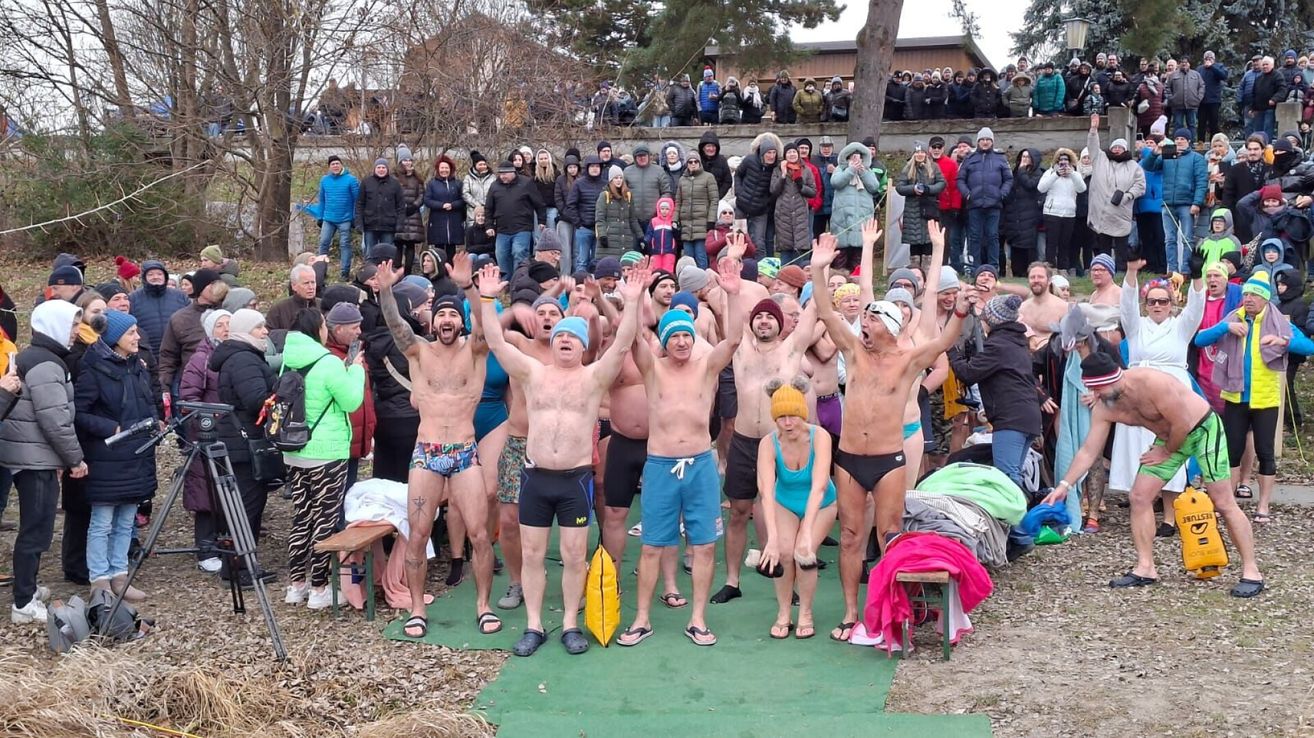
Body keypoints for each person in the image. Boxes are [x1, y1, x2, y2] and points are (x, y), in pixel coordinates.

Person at [479, 258, 646, 658]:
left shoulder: (593, 378)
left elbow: (623, 342)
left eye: (573, 338)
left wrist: (634, 301)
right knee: (534, 554)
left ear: (583, 345)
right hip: (536, 478)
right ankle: (534, 624)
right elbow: (497, 343)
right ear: (552, 344)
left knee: (574, 555)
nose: (566, 341)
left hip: (574, 480)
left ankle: (570, 622)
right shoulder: (533, 374)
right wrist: (487, 300)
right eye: (560, 338)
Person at [809, 222, 968, 642]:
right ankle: (848, 613)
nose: (862, 323)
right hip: (849, 460)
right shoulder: (856, 353)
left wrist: (962, 313)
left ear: (891, 327)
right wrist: (818, 270)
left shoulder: (907, 359)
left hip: (888, 460)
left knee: (890, 536)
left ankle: (890, 612)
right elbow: (826, 313)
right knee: (849, 536)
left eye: (871, 319)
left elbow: (944, 341)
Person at [1044, 353, 1264, 598]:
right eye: (1092, 389)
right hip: (1168, 439)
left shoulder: (1152, 383)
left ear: (1116, 380)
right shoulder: (1104, 406)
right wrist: (1064, 485)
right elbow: (1088, 451)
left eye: (1099, 388)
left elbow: (1182, 422)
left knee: (1222, 501)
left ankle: (1251, 570)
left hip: (1201, 428)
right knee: (1139, 496)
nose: (1096, 395)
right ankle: (1146, 567)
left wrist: (1166, 450)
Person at [616, 257, 742, 648]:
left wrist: (733, 296)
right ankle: (641, 619)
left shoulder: (707, 368)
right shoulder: (653, 370)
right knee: (653, 544)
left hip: (701, 466)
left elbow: (734, 339)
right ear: (666, 341)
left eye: (687, 335)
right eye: (674, 336)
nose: (682, 341)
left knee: (704, 545)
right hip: (661, 467)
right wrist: (633, 301)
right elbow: (632, 341)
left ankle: (698, 619)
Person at [374, 255, 497, 639]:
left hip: (464, 453)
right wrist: (385, 291)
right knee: (419, 532)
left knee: (478, 533)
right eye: (441, 316)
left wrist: (468, 288)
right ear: (432, 322)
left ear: (460, 321)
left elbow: (484, 325)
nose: (447, 321)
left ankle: (483, 605)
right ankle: (416, 607)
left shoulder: (475, 351)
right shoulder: (418, 353)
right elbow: (395, 326)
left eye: (453, 316)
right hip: (426, 454)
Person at [713, 290, 816, 605]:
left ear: (781, 324)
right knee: (739, 512)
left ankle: (786, 581)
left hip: (777, 443)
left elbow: (813, 316)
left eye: (771, 316)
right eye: (759, 316)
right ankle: (733, 581)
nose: (764, 320)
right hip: (743, 442)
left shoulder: (790, 351)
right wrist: (732, 290)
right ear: (752, 322)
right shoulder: (741, 350)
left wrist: (820, 271)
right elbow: (731, 324)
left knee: (783, 513)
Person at [1, 300, 85, 624]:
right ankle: (23, 603)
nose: (77, 331)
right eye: (73, 324)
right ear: (55, 326)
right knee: (35, 530)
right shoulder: (48, 365)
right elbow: (55, 420)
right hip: (34, 459)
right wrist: (74, 458)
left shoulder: (35, 357)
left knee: (34, 528)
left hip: (28, 454)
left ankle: (30, 587)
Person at [281, 309, 366, 610]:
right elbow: (352, 401)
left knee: (302, 516)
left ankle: (296, 585)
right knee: (326, 519)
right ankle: (319, 588)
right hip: (327, 453)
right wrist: (355, 370)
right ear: (318, 330)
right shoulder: (328, 362)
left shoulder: (289, 359)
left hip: (295, 450)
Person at [1195, 272, 1293, 524]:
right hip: (1235, 395)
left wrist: (1283, 341)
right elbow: (1200, 339)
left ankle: (1263, 506)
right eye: (1246, 294)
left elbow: (1308, 346)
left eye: (1255, 295)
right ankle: (1229, 504)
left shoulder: (1277, 321)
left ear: (1265, 299)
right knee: (1232, 450)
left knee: (1265, 451)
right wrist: (1225, 326)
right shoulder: (1234, 317)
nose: (1248, 299)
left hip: (1265, 399)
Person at [74, 310, 157, 602]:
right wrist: (113, 427)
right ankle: (99, 580)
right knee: (102, 521)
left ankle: (120, 575)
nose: (138, 337)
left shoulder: (138, 366)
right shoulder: (92, 369)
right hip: (107, 456)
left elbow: (148, 400)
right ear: (114, 338)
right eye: (131, 332)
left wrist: (153, 423)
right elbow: (79, 413)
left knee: (126, 520)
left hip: (136, 454)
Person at [756, 378, 836, 641]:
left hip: (820, 503)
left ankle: (806, 612)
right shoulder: (768, 443)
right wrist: (772, 538)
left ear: (802, 414)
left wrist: (807, 530)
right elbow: (766, 492)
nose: (787, 423)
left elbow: (819, 486)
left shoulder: (820, 437)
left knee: (805, 551)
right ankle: (783, 612)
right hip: (785, 502)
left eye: (792, 416)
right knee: (784, 552)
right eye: (781, 417)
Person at [179, 308, 230, 573]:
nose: (225, 329)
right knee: (205, 495)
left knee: (226, 491)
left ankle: (224, 541)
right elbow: (189, 397)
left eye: (229, 324)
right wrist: (207, 422)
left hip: (229, 436)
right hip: (207, 436)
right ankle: (205, 547)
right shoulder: (201, 360)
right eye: (220, 325)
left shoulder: (231, 355)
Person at [158, 268, 226, 396]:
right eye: (212, 285)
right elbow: (168, 356)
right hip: (191, 388)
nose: (218, 289)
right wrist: (164, 387)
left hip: (224, 386)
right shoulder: (180, 319)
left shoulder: (229, 315)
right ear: (200, 288)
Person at [958, 127, 1013, 269]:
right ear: (977, 142)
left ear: (992, 141)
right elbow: (960, 180)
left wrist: (1001, 194)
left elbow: (1008, 179)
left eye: (988, 139)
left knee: (993, 237)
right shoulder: (969, 159)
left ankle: (993, 267)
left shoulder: (1000, 158)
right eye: (982, 139)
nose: (985, 142)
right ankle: (975, 267)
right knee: (974, 237)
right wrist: (968, 194)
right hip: (974, 204)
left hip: (994, 204)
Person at [485, 161, 547, 278]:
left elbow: (539, 203)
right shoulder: (494, 186)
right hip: (502, 229)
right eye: (501, 174)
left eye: (506, 173)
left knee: (519, 253)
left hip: (522, 227)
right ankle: (506, 282)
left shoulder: (526, 183)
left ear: (513, 172)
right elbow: (488, 208)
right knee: (501, 255)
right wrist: (489, 226)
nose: (503, 176)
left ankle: (519, 279)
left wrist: (541, 220)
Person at [829, 142, 881, 270]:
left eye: (859, 157)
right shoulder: (840, 169)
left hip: (861, 220)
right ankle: (839, 283)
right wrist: (851, 170)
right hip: (842, 221)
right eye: (853, 157)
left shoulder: (867, 171)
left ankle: (858, 284)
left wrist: (863, 172)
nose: (856, 160)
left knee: (858, 260)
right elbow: (836, 182)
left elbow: (874, 187)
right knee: (841, 259)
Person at [895, 143, 946, 273]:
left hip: (929, 208)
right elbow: (900, 187)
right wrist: (913, 189)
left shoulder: (934, 167)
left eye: (922, 152)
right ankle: (915, 270)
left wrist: (928, 189)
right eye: (917, 153)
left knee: (929, 239)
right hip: (913, 210)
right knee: (915, 241)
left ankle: (928, 270)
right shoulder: (908, 168)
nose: (919, 155)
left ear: (926, 154)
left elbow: (941, 183)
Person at [129, 260, 190, 361]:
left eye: (159, 273)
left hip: (176, 355)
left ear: (165, 276)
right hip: (146, 356)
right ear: (144, 277)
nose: (155, 277)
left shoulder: (180, 296)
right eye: (150, 274)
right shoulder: (133, 299)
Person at [1039, 148, 1088, 272]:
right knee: (1051, 243)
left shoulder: (1075, 174)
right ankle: (1051, 269)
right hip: (1052, 213)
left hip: (1069, 214)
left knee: (1064, 244)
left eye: (1066, 160)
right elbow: (1041, 188)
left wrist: (1071, 173)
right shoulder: (1050, 173)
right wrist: (1056, 174)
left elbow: (1082, 189)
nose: (1063, 163)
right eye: (1061, 160)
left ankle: (1063, 269)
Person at [315, 155, 361, 282]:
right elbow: (322, 200)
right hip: (328, 218)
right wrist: (320, 217)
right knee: (323, 243)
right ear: (329, 167)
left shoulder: (351, 180)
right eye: (332, 164)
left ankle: (344, 273)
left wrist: (355, 218)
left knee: (345, 245)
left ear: (341, 165)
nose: (335, 166)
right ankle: (321, 272)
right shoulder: (325, 180)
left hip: (345, 219)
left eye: (337, 163)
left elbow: (357, 200)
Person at [771, 142, 817, 265]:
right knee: (786, 249)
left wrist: (801, 186)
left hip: (800, 214)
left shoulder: (806, 170)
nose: (792, 154)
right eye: (789, 152)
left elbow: (813, 191)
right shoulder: (777, 170)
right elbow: (773, 190)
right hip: (783, 214)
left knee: (800, 249)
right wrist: (783, 175)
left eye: (794, 152)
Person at [676, 152, 717, 269]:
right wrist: (675, 220)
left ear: (699, 163)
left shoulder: (708, 177)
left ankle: (703, 282)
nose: (693, 164)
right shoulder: (682, 180)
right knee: (688, 258)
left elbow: (714, 200)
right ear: (687, 164)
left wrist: (711, 220)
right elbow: (678, 201)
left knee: (701, 256)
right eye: (690, 162)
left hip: (702, 223)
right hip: (686, 224)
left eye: (696, 161)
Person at [266, 264, 320, 331]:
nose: (311, 287)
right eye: (306, 283)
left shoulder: (321, 305)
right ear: (294, 286)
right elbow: (269, 334)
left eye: (313, 282)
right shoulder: (279, 309)